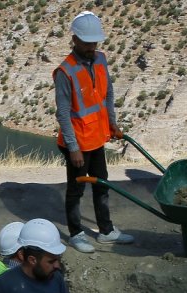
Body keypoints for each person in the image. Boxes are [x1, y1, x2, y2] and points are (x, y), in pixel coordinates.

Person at [54, 10, 134, 254]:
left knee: (102, 184)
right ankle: (77, 234)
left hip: (98, 136)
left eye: (94, 42)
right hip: (77, 142)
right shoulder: (65, 72)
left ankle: (106, 231)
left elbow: (107, 94)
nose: (92, 47)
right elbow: (63, 113)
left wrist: (112, 123)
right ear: (75, 39)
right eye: (87, 43)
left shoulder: (100, 59)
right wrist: (73, 146)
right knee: (76, 190)